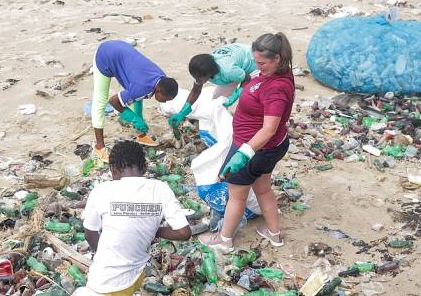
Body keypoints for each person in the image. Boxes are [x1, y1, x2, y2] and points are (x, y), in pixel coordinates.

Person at [198, 33, 295, 253]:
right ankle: (274, 234)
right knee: (263, 189)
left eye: (262, 63)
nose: (258, 67)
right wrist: (242, 93)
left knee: (236, 195)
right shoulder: (281, 72)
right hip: (271, 147)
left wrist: (244, 153)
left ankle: (224, 239)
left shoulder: (276, 88)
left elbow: (269, 128)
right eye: (256, 62)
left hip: (254, 147)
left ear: (277, 58)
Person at [83, 140, 191, 295]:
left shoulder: (101, 190)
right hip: (137, 276)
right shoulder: (161, 189)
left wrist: (103, 256)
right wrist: (156, 230)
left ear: (113, 170)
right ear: (145, 168)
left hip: (104, 283)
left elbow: (89, 233)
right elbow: (184, 233)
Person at [92, 40, 178, 162]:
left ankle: (140, 135)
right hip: (104, 55)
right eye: (165, 99)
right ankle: (99, 147)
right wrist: (133, 118)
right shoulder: (142, 86)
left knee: (136, 95)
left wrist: (137, 120)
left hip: (122, 53)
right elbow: (114, 101)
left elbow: (139, 95)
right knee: (100, 100)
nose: (164, 102)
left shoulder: (161, 78)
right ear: (158, 91)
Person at [168, 43, 256, 127]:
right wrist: (182, 112)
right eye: (196, 78)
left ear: (210, 73)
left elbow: (247, 78)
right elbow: (195, 91)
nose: (198, 81)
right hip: (235, 67)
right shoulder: (199, 72)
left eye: (200, 79)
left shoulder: (227, 70)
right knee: (217, 104)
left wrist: (236, 95)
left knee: (249, 99)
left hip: (252, 63)